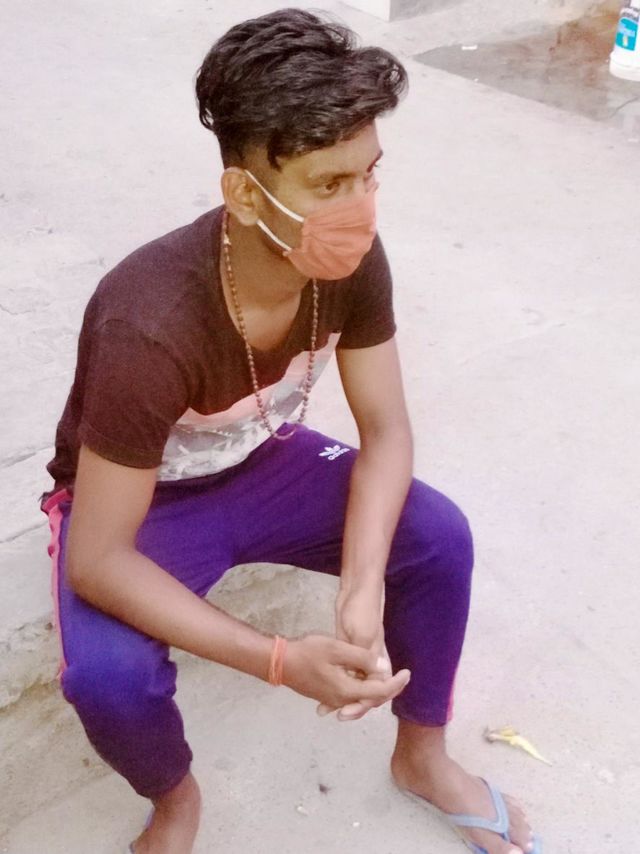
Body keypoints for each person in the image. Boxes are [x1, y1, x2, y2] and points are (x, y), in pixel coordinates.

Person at [41, 9, 540, 854]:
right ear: (243, 193)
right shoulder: (147, 323)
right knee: (108, 678)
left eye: (369, 174)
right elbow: (99, 558)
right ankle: (174, 800)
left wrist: (363, 584)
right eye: (329, 183)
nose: (361, 207)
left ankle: (422, 755)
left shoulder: (350, 261)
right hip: (146, 503)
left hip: (265, 460)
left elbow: (386, 430)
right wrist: (278, 659)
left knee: (436, 536)